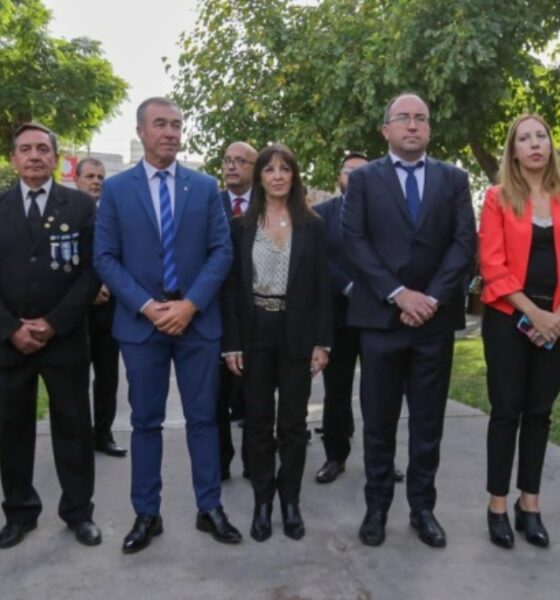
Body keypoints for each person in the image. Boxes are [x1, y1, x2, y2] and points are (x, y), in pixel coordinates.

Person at [94, 97, 241, 554]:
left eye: (176, 125)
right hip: (142, 327)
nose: (171, 133)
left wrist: (190, 305)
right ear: (141, 131)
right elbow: (105, 257)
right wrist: (146, 306)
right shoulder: (117, 190)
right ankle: (147, 514)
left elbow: (222, 251)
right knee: (145, 422)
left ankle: (209, 507)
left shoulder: (204, 186)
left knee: (204, 419)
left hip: (196, 323)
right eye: (160, 124)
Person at [342, 93, 476, 548]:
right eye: (404, 118)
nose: (413, 125)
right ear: (386, 130)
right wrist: (399, 294)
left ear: (430, 129)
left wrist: (432, 297)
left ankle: (423, 509)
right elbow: (354, 241)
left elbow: (464, 243)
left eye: (421, 118)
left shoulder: (454, 179)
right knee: (378, 423)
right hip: (380, 321)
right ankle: (377, 508)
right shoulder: (364, 180)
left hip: (433, 323)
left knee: (428, 424)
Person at [0, 123, 102, 549]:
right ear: (13, 159)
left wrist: (54, 323)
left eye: (43, 149)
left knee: (74, 427)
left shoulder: (80, 206)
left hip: (64, 340)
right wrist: (11, 328)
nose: (34, 156)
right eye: (25, 149)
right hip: (9, 343)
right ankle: (20, 512)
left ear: (56, 159)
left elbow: (92, 271)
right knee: (11, 430)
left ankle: (78, 512)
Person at [223, 143, 331, 542]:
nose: (278, 176)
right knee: (257, 422)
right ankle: (263, 501)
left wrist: (323, 342)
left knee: (293, 424)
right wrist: (232, 343)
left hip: (297, 333)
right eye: (270, 169)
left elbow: (323, 287)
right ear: (260, 177)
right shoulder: (241, 227)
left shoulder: (313, 226)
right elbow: (231, 290)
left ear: (294, 175)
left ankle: (290, 501)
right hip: (255, 333)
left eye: (285, 169)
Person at [479, 114, 560, 549]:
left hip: (557, 323)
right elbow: (492, 265)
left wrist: (554, 319)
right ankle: (497, 505)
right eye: (524, 138)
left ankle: (530, 504)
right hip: (508, 318)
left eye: (541, 136)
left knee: (540, 412)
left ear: (550, 144)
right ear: (513, 152)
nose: (534, 144)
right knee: (507, 410)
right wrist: (535, 315)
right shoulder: (498, 198)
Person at [314, 152, 406, 486]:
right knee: (336, 392)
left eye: (361, 171)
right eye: (348, 171)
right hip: (337, 317)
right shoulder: (321, 215)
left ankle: (382, 461)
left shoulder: (385, 213)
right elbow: (317, 260)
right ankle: (335, 456)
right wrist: (349, 286)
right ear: (338, 177)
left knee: (380, 394)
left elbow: (394, 258)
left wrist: (375, 289)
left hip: (377, 316)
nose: (354, 177)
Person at [75, 158, 126, 458]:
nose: (96, 181)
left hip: (109, 307)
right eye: (90, 176)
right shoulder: (66, 214)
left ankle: (103, 434)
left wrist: (108, 284)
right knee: (76, 376)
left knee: (107, 376)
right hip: (76, 311)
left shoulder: (112, 215)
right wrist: (88, 291)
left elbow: (120, 256)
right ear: (77, 180)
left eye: (100, 177)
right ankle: (78, 436)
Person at [218, 141, 257, 480]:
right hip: (216, 312)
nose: (232, 166)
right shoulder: (209, 204)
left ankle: (253, 461)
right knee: (216, 396)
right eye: (228, 160)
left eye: (241, 161)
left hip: (258, 315)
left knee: (255, 396)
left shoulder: (271, 205)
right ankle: (220, 461)